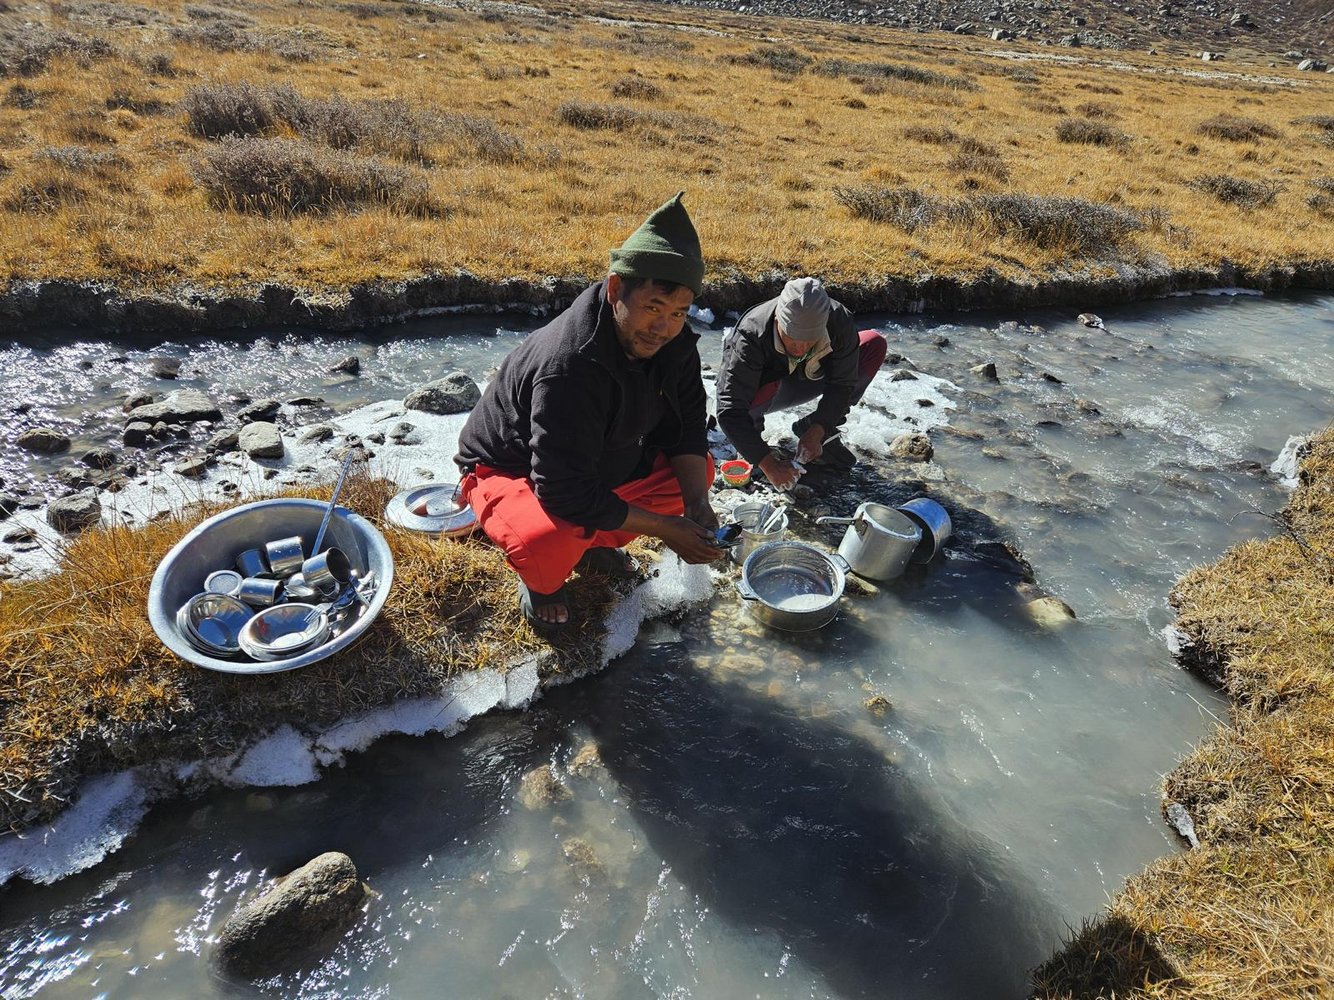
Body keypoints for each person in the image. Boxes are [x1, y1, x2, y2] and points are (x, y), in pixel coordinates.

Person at [454, 192, 723, 630]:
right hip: (510, 469)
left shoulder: (674, 343)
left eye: (678, 312)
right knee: (545, 540)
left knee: (697, 474)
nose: (663, 328)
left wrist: (696, 503)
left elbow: (688, 426)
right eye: (653, 307)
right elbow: (562, 489)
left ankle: (589, 543)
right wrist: (666, 528)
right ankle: (542, 581)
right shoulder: (569, 364)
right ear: (616, 288)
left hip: (597, 460)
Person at [714, 277, 887, 491]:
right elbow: (729, 409)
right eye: (792, 338)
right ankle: (754, 449)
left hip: (810, 379)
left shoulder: (839, 320)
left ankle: (812, 426)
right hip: (768, 391)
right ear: (777, 320)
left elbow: (842, 384)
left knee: (873, 343)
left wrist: (819, 428)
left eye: (809, 340)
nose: (800, 348)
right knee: (751, 395)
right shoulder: (750, 333)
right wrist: (767, 462)